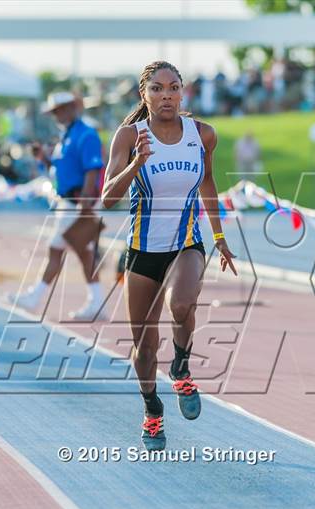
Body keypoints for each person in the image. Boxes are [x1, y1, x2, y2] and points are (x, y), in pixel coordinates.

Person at [102, 61, 238, 451]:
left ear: (183, 92)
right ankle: (152, 408)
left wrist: (218, 235)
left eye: (174, 88)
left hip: (186, 244)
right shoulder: (129, 136)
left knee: (182, 303)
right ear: (144, 95)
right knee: (144, 345)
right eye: (158, 89)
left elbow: (208, 181)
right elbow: (108, 197)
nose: (167, 96)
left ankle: (181, 366)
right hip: (143, 252)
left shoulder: (203, 134)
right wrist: (136, 163)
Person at [9, 92, 106, 320]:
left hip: (77, 203)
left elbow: (93, 168)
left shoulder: (85, 134)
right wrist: (43, 157)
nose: (55, 115)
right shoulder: (68, 135)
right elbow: (61, 168)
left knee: (76, 252)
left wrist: (84, 202)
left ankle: (93, 301)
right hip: (69, 203)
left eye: (58, 110)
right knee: (75, 253)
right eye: (54, 112)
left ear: (72, 108)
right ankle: (94, 301)